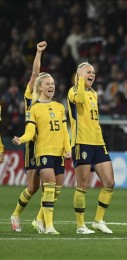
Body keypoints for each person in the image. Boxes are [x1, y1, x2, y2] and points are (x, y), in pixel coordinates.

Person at [12, 72, 71, 235]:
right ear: (39, 87)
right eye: (47, 83)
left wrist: (68, 148)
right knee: (47, 186)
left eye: (52, 83)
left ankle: (39, 220)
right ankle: (49, 226)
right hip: (43, 152)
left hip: (59, 153)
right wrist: (22, 140)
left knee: (57, 189)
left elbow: (65, 131)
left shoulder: (60, 107)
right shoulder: (34, 108)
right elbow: (30, 131)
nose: (51, 86)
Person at [67, 62, 115, 234]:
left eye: (93, 72)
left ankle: (98, 220)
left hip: (98, 143)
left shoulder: (94, 94)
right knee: (83, 184)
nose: (92, 75)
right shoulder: (73, 91)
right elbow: (79, 99)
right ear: (79, 74)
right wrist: (80, 81)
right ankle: (80, 225)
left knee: (109, 182)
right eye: (88, 72)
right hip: (82, 143)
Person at [10, 41, 46, 232]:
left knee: (52, 186)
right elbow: (35, 73)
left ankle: (40, 219)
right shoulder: (30, 97)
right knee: (32, 188)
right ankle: (16, 214)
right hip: (33, 144)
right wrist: (38, 53)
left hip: (49, 143)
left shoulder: (49, 101)